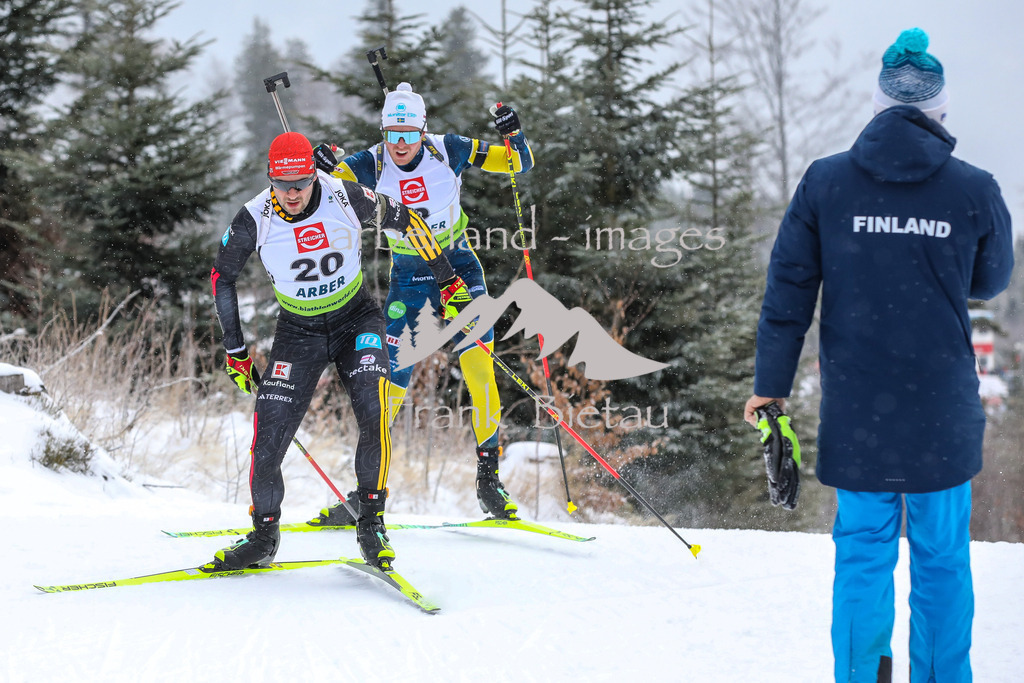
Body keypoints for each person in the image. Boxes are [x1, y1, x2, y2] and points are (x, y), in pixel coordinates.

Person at [743, 28, 1013, 683]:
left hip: (859, 411)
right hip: (941, 416)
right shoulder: (973, 189)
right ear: (939, 114)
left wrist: (769, 387)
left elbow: (788, 292)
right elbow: (992, 278)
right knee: (942, 560)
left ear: (878, 108)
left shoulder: (826, 183)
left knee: (862, 556)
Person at [210, 131, 472, 570]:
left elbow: (406, 218)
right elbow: (222, 278)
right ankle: (263, 537)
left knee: (374, 410)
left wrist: (447, 280)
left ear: (314, 173)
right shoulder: (254, 218)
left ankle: (371, 523)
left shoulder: (345, 196)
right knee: (268, 435)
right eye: (281, 184)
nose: (292, 193)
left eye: (301, 182)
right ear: (270, 179)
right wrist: (236, 350)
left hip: (356, 320)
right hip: (298, 331)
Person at [308, 82, 535, 525]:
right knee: (388, 384)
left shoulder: (448, 148)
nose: (400, 145)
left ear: (423, 131)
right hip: (410, 279)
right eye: (392, 134)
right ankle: (366, 493)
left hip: (460, 268)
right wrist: (322, 165)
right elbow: (323, 190)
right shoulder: (372, 162)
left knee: (479, 367)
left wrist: (514, 134)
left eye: (409, 134)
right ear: (384, 133)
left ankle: (489, 481)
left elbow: (517, 164)